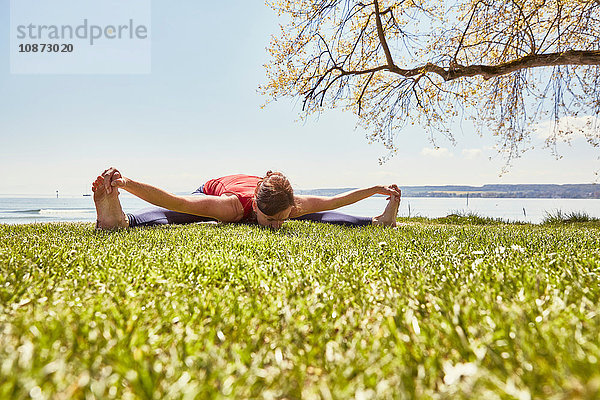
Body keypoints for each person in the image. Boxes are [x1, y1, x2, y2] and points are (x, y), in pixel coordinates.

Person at [92, 167, 401, 230]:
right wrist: (128, 184)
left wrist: (373, 190)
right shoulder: (233, 206)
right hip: (211, 190)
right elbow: (177, 202)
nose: (277, 227)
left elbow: (333, 202)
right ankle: (122, 220)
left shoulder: (288, 205)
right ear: (256, 207)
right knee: (187, 215)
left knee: (316, 214)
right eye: (270, 220)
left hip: (263, 192)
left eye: (282, 219)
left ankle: (377, 221)